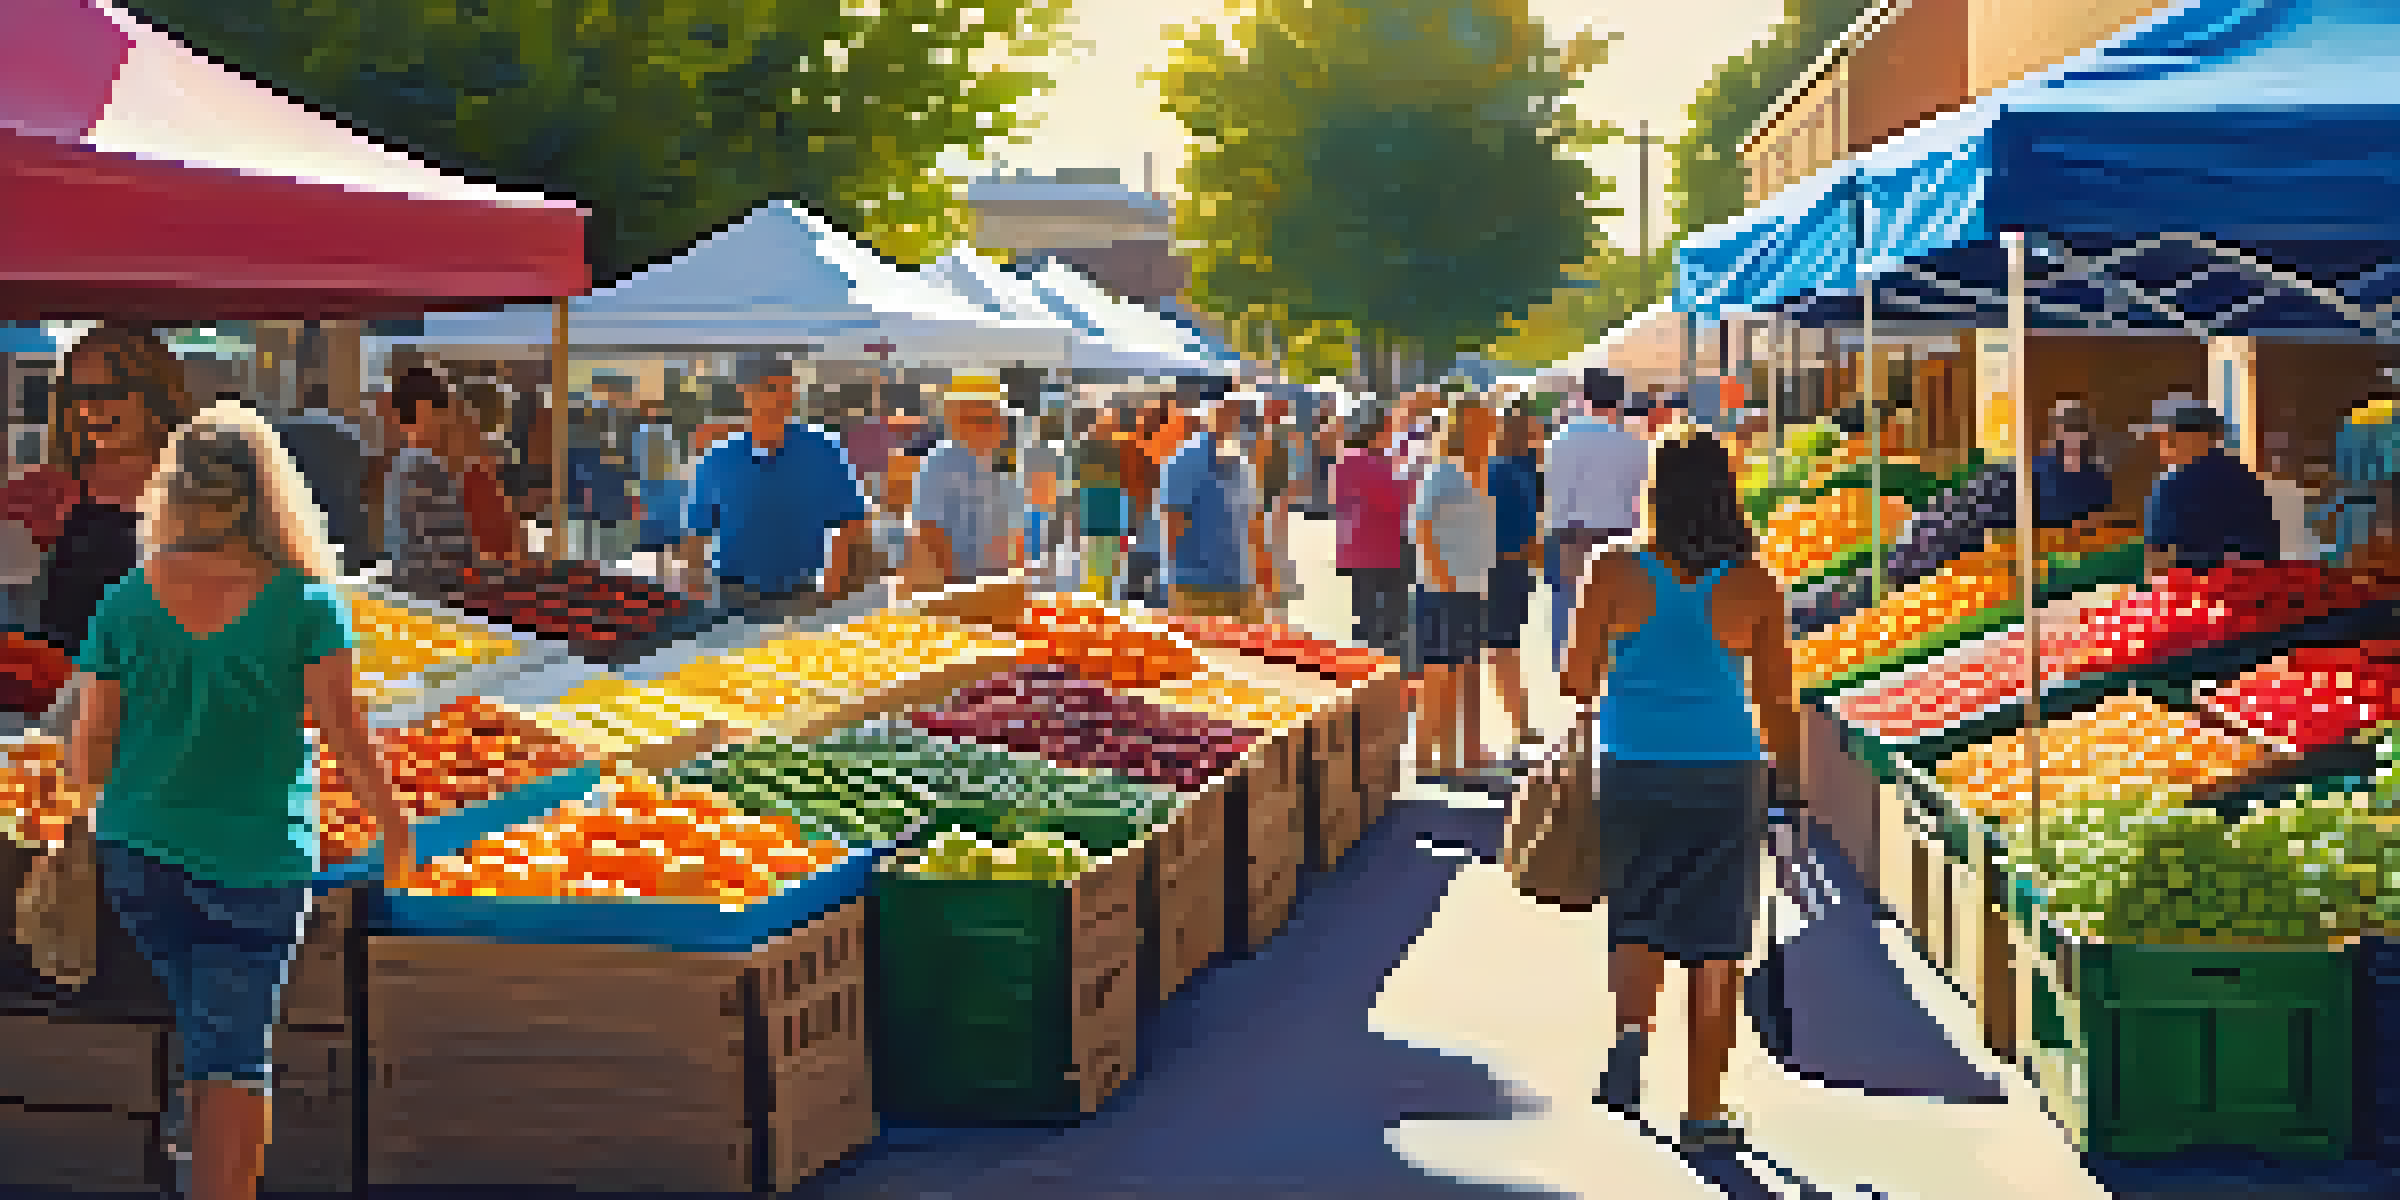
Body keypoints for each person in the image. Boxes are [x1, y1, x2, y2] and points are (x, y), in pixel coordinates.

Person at [65, 403, 408, 1200]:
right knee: (232, 1057)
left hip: (137, 856)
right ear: (266, 495)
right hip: (254, 864)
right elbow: (348, 740)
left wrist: (87, 807)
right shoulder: (306, 606)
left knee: (200, 1026)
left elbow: (90, 747)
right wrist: (395, 830)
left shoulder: (126, 600)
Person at [1562, 424, 1800, 1157]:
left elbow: (1575, 679)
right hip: (1727, 773)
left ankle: (1631, 1038)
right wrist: (1784, 796)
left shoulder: (1614, 569)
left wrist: (1633, 669)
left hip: (1632, 765)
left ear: (1656, 493)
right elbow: (1777, 702)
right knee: (1716, 942)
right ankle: (1702, 1109)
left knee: (1636, 913)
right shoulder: (1757, 583)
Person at [43, 324, 198, 655]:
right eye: (78, 393)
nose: (90, 407)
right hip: (66, 688)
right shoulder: (53, 488)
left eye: (108, 391)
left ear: (155, 393)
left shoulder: (202, 482)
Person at [679, 354, 869, 619]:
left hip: (802, 594)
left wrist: (832, 588)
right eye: (770, 389)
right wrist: (694, 592)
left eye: (788, 389)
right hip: (732, 595)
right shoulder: (718, 458)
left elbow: (850, 523)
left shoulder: (823, 449)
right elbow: (696, 532)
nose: (782, 398)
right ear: (745, 392)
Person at [1412, 399, 1499, 779]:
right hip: (1446, 589)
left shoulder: (1471, 473)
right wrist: (1443, 578)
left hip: (1469, 586)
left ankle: (1459, 750)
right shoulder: (1444, 473)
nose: (1491, 430)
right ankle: (1436, 754)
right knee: (1443, 674)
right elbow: (1423, 526)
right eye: (1484, 423)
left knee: (1463, 670)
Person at [1545, 381, 1651, 674]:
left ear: (1584, 399)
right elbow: (1640, 495)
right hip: (1620, 534)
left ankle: (1570, 674)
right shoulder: (1634, 444)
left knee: (1568, 602)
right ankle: (1612, 670)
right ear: (1618, 402)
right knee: (1615, 608)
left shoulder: (1560, 439)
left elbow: (1554, 493)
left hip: (1571, 533)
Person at [1160, 388, 1272, 621]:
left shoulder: (1241, 461)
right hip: (1197, 586)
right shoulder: (1187, 458)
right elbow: (1173, 520)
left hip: (1238, 583)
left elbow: (1252, 523)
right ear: (1211, 415)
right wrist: (1174, 585)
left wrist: (1260, 582)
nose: (1239, 421)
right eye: (1231, 413)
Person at [908, 375, 1027, 588]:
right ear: (957, 420)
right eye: (979, 418)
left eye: (995, 418)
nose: (991, 426)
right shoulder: (941, 462)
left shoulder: (1003, 466)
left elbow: (1013, 535)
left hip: (996, 583)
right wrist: (956, 586)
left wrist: (1014, 579)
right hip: (955, 586)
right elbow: (929, 531)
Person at [2137, 394, 2279, 573]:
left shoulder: (2170, 486)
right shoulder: (2246, 476)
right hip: (2261, 588)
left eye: (2162, 439)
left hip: (2201, 593)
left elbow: (2158, 560)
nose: (2160, 447)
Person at [381, 367, 480, 596]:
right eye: (444, 408)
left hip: (412, 589)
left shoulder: (403, 462)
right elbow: (453, 548)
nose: (449, 420)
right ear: (424, 408)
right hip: (433, 595)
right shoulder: (426, 467)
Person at [1335, 402, 1416, 667]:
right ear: (1376, 431)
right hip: (1381, 548)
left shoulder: (1346, 459)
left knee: (1364, 615)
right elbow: (1397, 498)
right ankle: (1381, 675)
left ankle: (1363, 671)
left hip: (1357, 549)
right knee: (1387, 622)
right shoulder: (1367, 462)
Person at [1486, 398, 1544, 755]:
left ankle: (1519, 720)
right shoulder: (1507, 471)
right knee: (1502, 647)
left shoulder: (1520, 468)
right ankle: (1518, 723)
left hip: (1512, 566)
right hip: (1504, 565)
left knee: (1505, 647)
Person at [271, 384, 372, 574]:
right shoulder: (350, 436)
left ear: (301, 403)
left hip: (297, 533)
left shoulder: (281, 433)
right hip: (342, 531)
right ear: (328, 403)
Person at [1075, 404, 1131, 599]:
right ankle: (1099, 601)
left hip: (1108, 518)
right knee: (1101, 568)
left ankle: (1100, 601)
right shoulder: (1096, 449)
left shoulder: (1104, 448)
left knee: (1106, 569)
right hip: (1100, 520)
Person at [2032, 405, 2114, 528]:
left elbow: (2102, 512)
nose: (2072, 438)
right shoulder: (2039, 467)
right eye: (2066, 431)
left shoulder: (2096, 473)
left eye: (2078, 432)